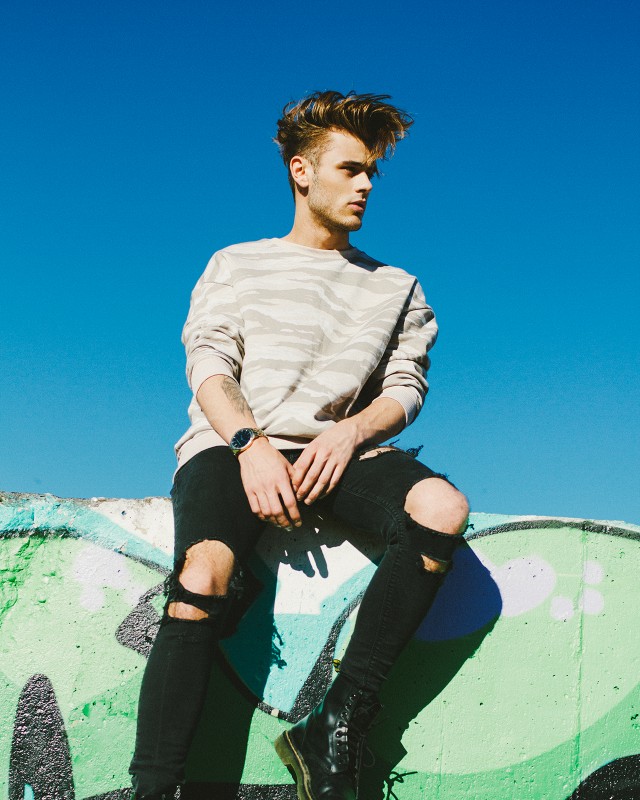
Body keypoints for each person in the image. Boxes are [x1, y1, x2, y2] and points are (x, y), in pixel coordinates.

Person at [129, 90, 469, 800]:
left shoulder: (398, 286)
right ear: (301, 171)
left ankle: (334, 724)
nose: (366, 184)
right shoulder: (236, 263)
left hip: (339, 454)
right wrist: (249, 442)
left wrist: (351, 431)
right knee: (202, 576)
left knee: (442, 508)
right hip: (232, 446)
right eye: (350, 169)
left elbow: (406, 387)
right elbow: (210, 364)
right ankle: (154, 788)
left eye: (372, 172)